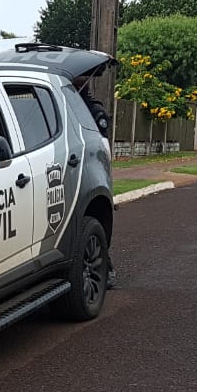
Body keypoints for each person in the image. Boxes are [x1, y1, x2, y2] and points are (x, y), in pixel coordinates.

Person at [74, 75, 117, 289]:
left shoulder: (93, 110)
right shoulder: (69, 105)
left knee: (93, 221)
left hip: (91, 167)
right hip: (73, 170)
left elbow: (102, 143)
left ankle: (105, 269)